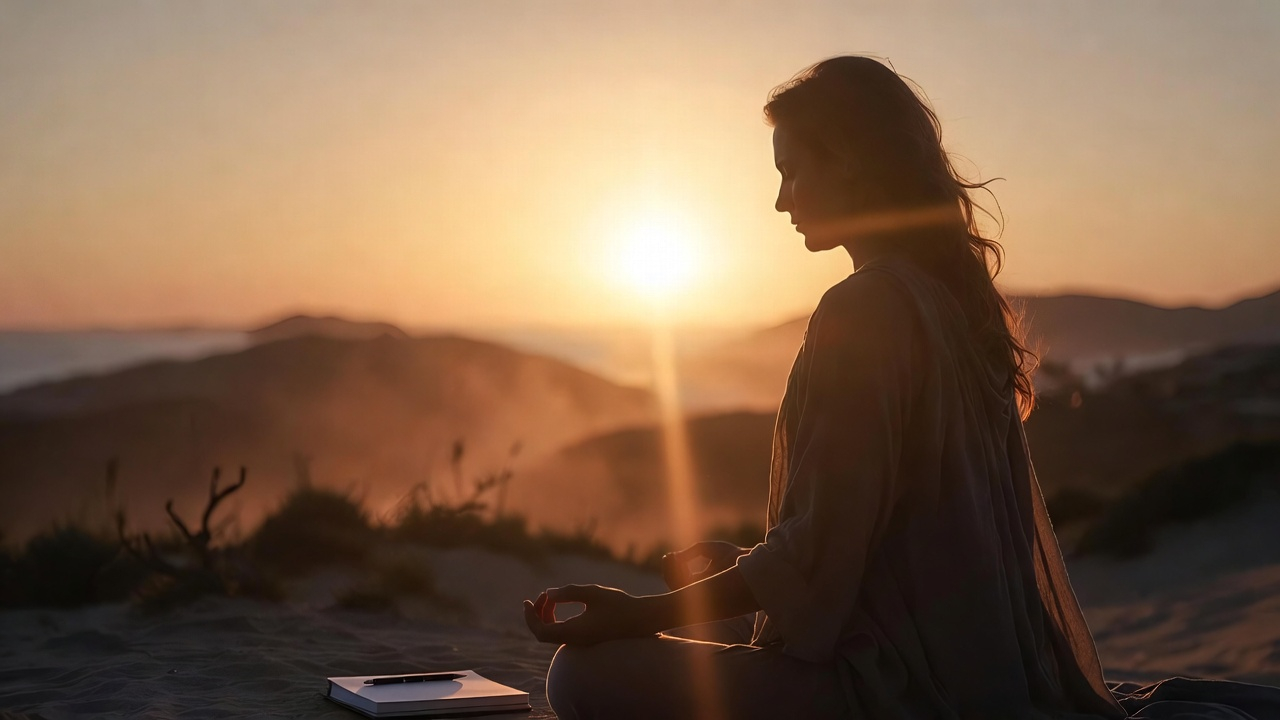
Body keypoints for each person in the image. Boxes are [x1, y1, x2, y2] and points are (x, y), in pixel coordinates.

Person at [522, 56, 1280, 720]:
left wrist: (636, 613)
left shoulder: (867, 308)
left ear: (851, 161)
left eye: (793, 169)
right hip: (955, 671)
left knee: (585, 673)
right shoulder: (947, 304)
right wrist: (742, 557)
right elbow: (889, 535)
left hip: (894, 692)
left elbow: (818, 558)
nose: (782, 199)